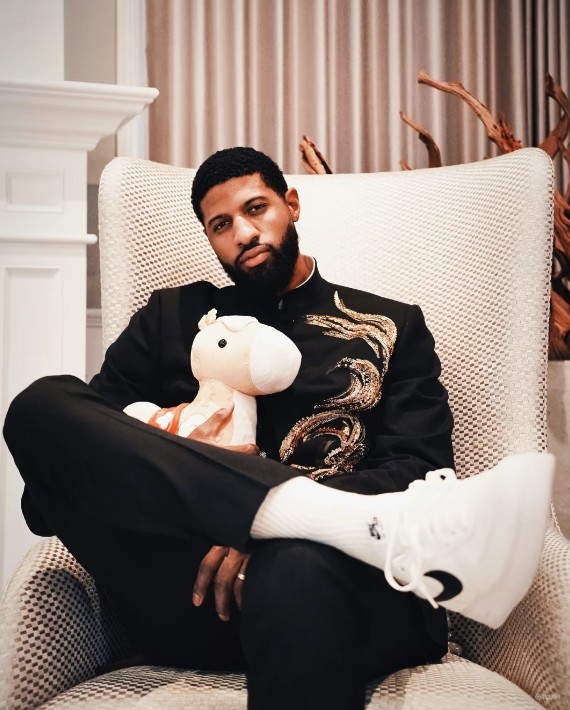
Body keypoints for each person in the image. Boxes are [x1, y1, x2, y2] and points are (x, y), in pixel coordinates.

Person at [3, 147, 554, 710]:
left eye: (256, 208)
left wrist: (268, 535)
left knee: (293, 563)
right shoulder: (169, 320)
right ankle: (284, 511)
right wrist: (176, 448)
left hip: (344, 587)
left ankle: (294, 522)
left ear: (291, 204)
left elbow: (422, 470)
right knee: (39, 405)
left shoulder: (391, 324)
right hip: (190, 596)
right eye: (221, 225)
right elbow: (51, 490)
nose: (243, 233)